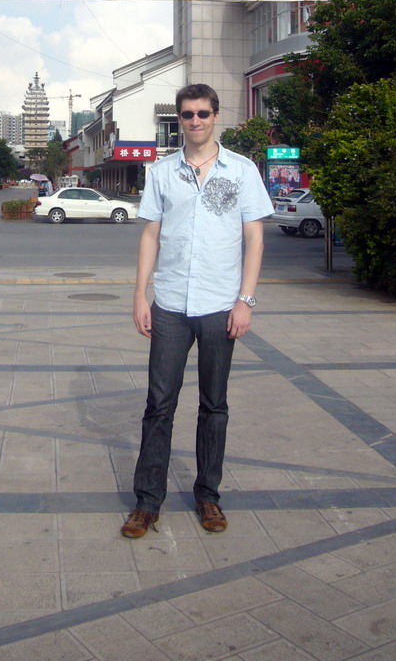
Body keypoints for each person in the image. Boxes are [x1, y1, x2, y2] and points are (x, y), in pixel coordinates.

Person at [121, 83, 273, 540]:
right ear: (179, 119)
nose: (195, 121)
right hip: (169, 304)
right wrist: (138, 295)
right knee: (158, 405)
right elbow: (150, 236)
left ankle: (208, 496)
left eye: (203, 113)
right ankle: (147, 502)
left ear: (215, 116)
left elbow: (255, 239)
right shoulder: (163, 172)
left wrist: (245, 301)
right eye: (187, 115)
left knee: (214, 405)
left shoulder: (242, 171)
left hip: (219, 305)